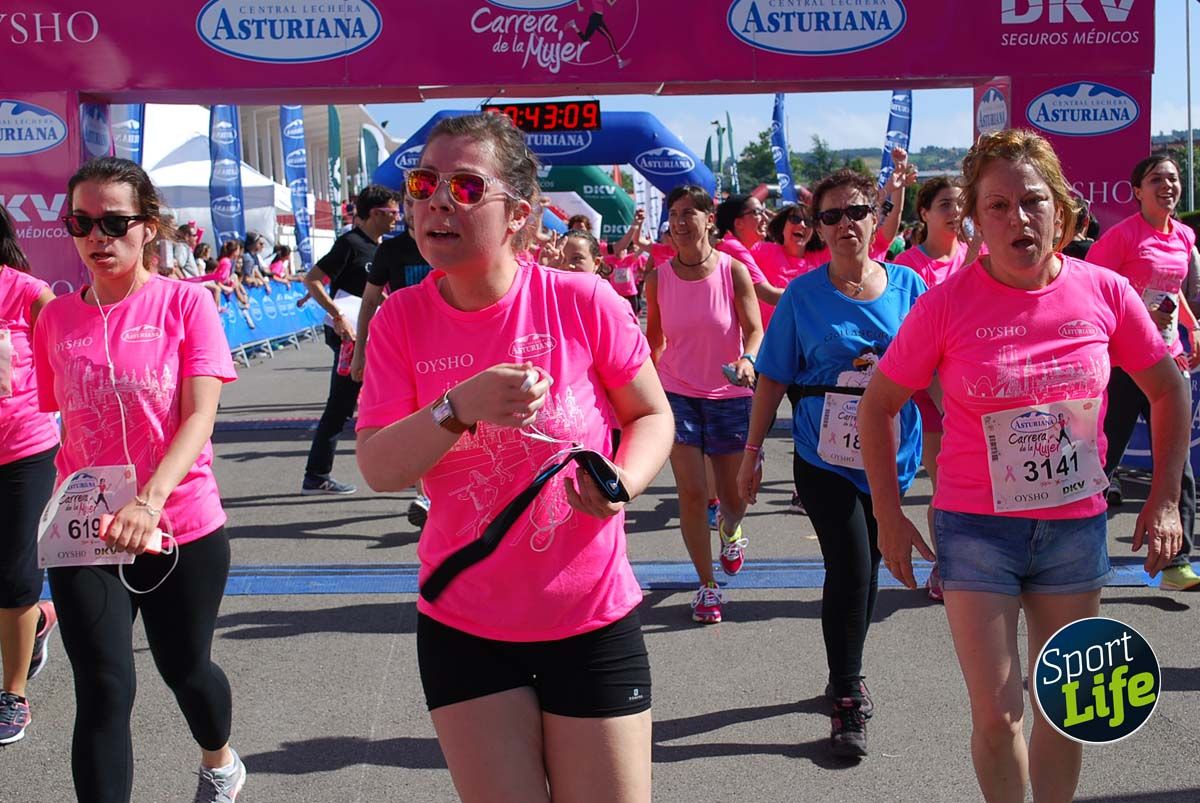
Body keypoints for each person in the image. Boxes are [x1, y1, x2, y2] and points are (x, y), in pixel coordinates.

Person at [858, 130, 1188, 802]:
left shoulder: (1105, 291)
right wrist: (888, 515)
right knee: (998, 712)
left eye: (1033, 201)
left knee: (1067, 706)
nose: (1019, 219)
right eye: (999, 206)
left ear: (1059, 210)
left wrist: (1164, 499)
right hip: (977, 529)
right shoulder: (946, 303)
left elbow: (1169, 389)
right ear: (976, 221)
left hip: (1073, 528)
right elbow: (878, 404)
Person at [355, 112, 673, 803]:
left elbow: (651, 415)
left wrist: (624, 479)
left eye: (467, 187)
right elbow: (379, 467)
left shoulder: (582, 300)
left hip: (590, 617)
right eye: (424, 184)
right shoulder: (400, 320)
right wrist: (457, 407)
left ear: (520, 213)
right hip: (465, 624)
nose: (438, 202)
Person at [33, 156, 244, 802]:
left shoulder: (186, 303)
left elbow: (200, 414)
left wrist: (149, 502)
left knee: (186, 669)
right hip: (87, 530)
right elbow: (61, 423)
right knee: (103, 686)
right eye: (81, 223)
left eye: (114, 222)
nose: (97, 237)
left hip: (179, 521)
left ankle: (219, 759)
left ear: (148, 226)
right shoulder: (55, 319)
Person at [737, 168, 925, 759]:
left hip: (891, 453)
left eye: (857, 211)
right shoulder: (802, 296)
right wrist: (751, 453)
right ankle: (847, 694)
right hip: (825, 455)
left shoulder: (909, 286)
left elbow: (939, 368)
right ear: (818, 227)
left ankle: (846, 666)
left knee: (871, 566)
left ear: (876, 217)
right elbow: (772, 377)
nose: (846, 223)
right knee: (849, 566)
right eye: (831, 216)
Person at [646, 184, 763, 624]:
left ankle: (731, 530)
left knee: (733, 497)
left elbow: (754, 329)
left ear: (708, 219)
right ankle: (707, 584)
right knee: (693, 493)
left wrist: (748, 359)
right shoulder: (658, 278)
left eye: (688, 213)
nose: (679, 222)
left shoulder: (732, 270)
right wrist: (648, 392)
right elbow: (654, 342)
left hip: (729, 394)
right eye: (673, 214)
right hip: (677, 394)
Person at [1087, 152, 1200, 590]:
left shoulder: (1184, 236)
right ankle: (1078, 553)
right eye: (1156, 179)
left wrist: (1192, 325)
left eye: (1173, 178)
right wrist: (1134, 315)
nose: (1167, 186)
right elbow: (1091, 288)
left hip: (1168, 362)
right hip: (1123, 365)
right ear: (1137, 191)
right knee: (1102, 461)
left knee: (1177, 464)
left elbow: (1172, 291)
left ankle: (1176, 563)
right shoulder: (1122, 237)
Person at [891, 176, 981, 601]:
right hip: (928, 392)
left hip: (976, 387)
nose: (955, 212)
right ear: (924, 213)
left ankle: (981, 562)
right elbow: (925, 328)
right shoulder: (908, 266)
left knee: (978, 484)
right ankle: (945, 565)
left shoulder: (978, 255)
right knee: (945, 483)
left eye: (961, 204)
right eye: (945, 204)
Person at [0, 207, 59, 746]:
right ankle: (38, 622)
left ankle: (12, 695)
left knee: (15, 574)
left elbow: (68, 351)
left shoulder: (25, 292)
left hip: (23, 449)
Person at [301, 183, 400, 496]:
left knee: (393, 399)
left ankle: (407, 468)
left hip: (375, 335)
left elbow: (373, 292)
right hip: (349, 336)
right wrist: (338, 315)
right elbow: (312, 279)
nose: (397, 218)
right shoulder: (351, 243)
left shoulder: (382, 247)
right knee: (341, 405)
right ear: (374, 214)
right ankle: (316, 475)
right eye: (392, 212)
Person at [352, 204, 435, 525]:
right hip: (405, 349)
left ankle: (438, 494)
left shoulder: (450, 242)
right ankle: (425, 495)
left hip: (450, 345)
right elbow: (369, 300)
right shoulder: (391, 250)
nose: (416, 208)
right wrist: (359, 351)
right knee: (417, 421)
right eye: (410, 202)